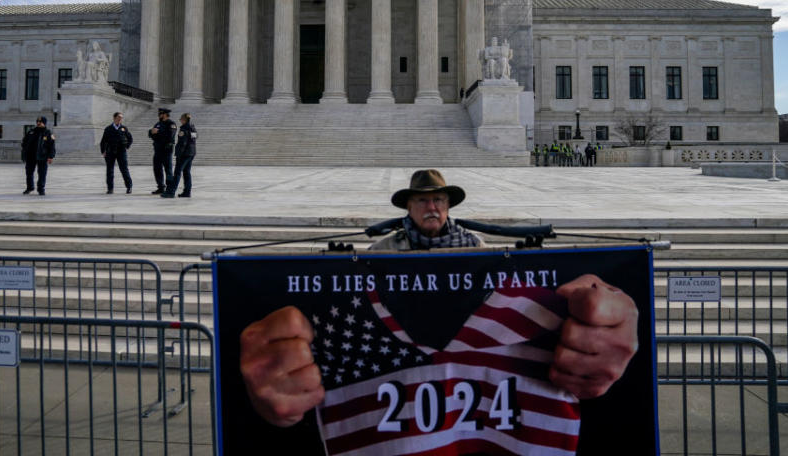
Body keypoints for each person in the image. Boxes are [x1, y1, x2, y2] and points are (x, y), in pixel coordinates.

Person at [239, 168, 639, 429]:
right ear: (408, 208)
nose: (432, 207)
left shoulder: (477, 247)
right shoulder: (383, 250)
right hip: (399, 392)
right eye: (423, 201)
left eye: (439, 201)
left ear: (448, 206)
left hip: (470, 391)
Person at [161, 112, 197, 198]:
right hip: (191, 153)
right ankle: (187, 192)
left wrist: (179, 154)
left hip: (184, 154)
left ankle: (171, 192)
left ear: (184, 120)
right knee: (186, 172)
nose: (180, 121)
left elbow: (182, 143)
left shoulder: (184, 129)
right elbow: (194, 139)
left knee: (177, 173)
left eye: (181, 119)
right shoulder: (193, 128)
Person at [20, 116, 55, 196]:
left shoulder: (48, 133)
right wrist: (25, 150)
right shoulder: (31, 131)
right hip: (30, 156)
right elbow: (24, 142)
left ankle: (41, 189)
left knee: (42, 173)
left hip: (42, 156)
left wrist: (51, 156)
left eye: (40, 122)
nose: (38, 123)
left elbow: (52, 146)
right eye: (37, 122)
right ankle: (30, 187)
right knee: (29, 173)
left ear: (44, 123)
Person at [100, 111, 133, 194]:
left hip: (121, 152)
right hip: (110, 152)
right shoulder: (108, 129)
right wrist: (103, 151)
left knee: (124, 169)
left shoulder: (124, 128)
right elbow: (103, 141)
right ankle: (110, 189)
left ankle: (129, 187)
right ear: (114, 118)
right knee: (110, 171)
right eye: (119, 118)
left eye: (121, 118)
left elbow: (130, 138)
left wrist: (127, 146)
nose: (120, 119)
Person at [148, 108, 177, 195]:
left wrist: (158, 132)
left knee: (168, 170)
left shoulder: (171, 124)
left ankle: (169, 188)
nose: (159, 115)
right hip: (157, 150)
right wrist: (152, 132)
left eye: (160, 114)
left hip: (166, 151)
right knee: (157, 169)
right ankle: (160, 187)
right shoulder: (158, 124)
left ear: (165, 114)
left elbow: (170, 136)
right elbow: (151, 133)